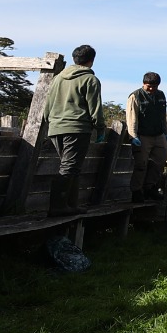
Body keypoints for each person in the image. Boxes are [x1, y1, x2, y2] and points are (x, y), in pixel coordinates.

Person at [44, 44, 104, 217]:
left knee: (71, 166)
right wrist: (100, 128)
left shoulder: (58, 78)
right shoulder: (90, 80)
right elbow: (96, 108)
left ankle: (70, 205)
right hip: (76, 127)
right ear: (91, 60)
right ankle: (57, 207)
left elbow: (47, 103)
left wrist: (50, 121)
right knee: (69, 167)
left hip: (55, 127)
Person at [125, 72, 167, 202]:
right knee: (141, 164)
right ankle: (137, 191)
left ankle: (151, 188)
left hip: (159, 134)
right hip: (143, 135)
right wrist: (133, 136)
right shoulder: (135, 96)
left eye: (154, 86)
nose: (151, 89)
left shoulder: (160, 95)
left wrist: (166, 132)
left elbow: (163, 116)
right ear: (144, 83)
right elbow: (132, 117)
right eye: (149, 86)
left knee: (159, 163)